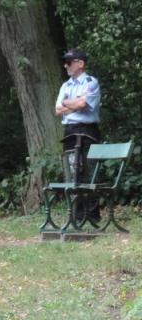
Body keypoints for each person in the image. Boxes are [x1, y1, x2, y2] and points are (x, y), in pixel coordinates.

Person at [55, 47, 102, 221]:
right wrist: (72, 103)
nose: (66, 65)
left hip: (88, 130)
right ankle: (77, 214)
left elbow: (83, 104)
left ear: (80, 63)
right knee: (74, 172)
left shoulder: (90, 82)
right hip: (70, 132)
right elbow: (58, 110)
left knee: (89, 172)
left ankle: (92, 215)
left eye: (69, 62)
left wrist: (69, 102)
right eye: (65, 62)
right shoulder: (65, 85)